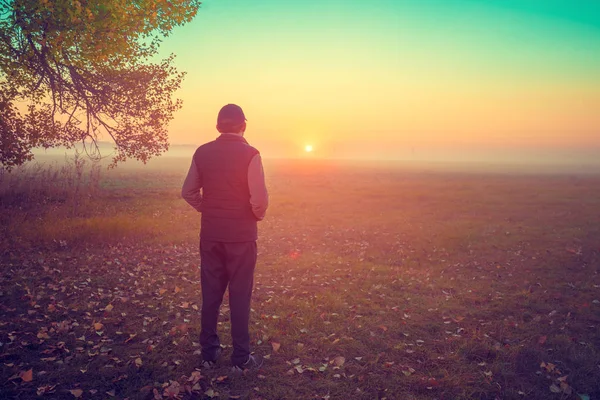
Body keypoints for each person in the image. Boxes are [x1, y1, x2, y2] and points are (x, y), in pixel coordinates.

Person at [181, 104, 268, 373]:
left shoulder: (202, 152)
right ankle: (241, 359)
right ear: (244, 125)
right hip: (241, 237)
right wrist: (255, 216)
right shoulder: (251, 154)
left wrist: (206, 208)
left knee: (211, 295)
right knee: (240, 296)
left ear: (218, 126)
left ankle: (208, 354)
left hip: (211, 236)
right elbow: (260, 199)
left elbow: (188, 191)